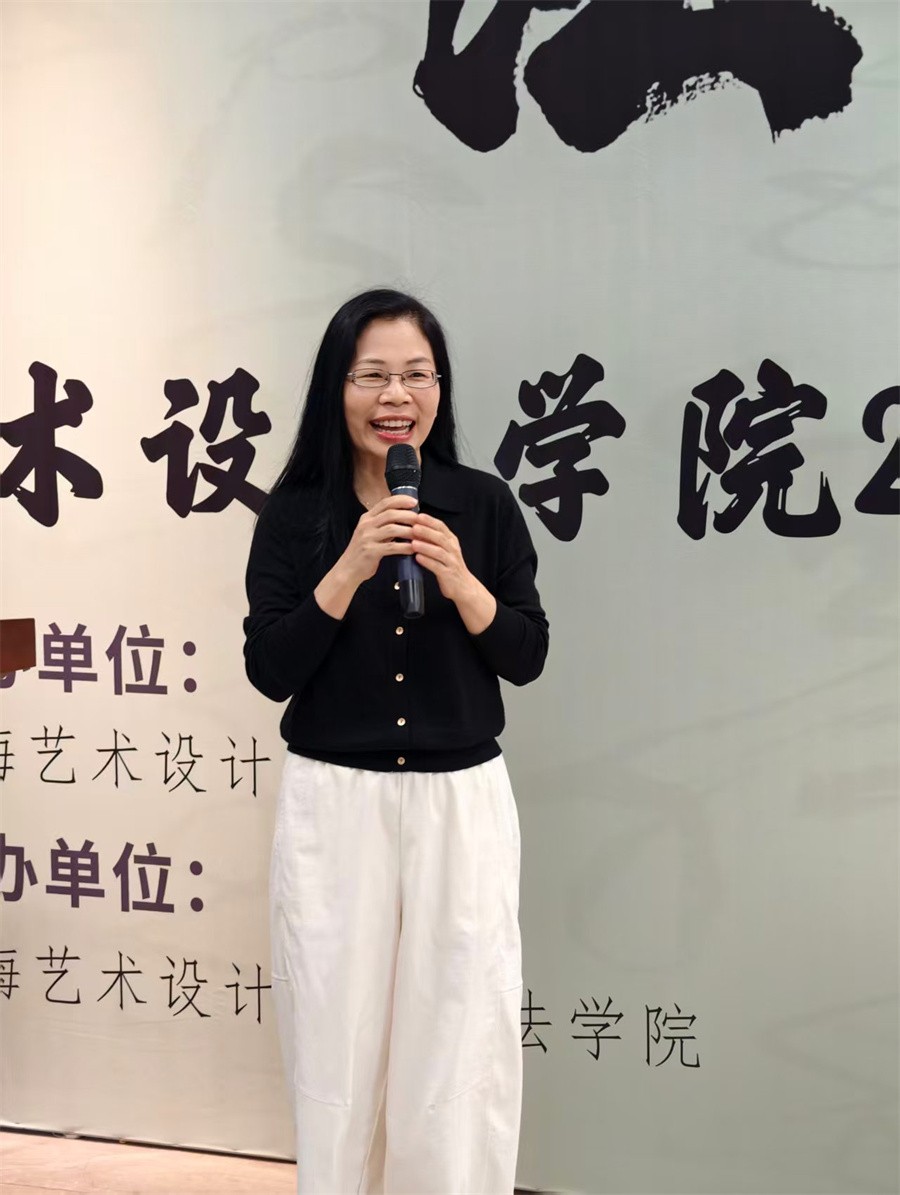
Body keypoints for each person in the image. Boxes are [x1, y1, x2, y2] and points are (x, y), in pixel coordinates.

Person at [243, 288, 548, 1194]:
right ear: (335, 390)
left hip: (460, 801)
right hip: (336, 802)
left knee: (458, 1028)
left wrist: (461, 580)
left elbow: (527, 654)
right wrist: (349, 565)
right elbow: (270, 667)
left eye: (417, 374)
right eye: (371, 374)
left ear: (440, 390)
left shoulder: (482, 505)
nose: (396, 395)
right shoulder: (296, 514)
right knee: (334, 1031)